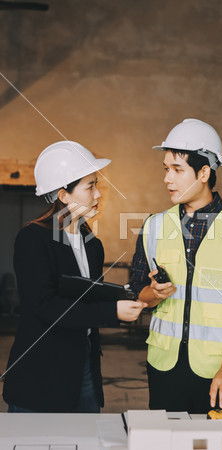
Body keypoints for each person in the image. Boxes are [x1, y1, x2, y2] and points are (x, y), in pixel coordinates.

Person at [130, 119, 222, 414]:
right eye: (166, 169)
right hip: (163, 366)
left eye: (178, 170)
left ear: (204, 172)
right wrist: (153, 293)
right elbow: (136, 294)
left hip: (219, 370)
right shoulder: (154, 225)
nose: (168, 179)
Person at [3, 141, 146, 413]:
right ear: (64, 195)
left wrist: (131, 295)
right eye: (90, 186)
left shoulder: (91, 243)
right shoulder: (33, 239)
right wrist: (113, 311)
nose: (98, 195)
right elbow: (46, 306)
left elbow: (87, 297)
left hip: (84, 368)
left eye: (97, 185)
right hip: (41, 374)